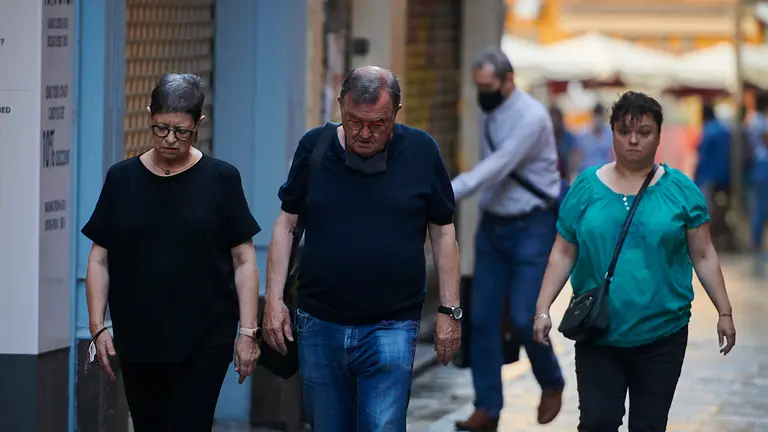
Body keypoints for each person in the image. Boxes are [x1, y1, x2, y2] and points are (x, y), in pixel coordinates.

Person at [262, 66, 462, 431]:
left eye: (377, 124)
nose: (365, 133)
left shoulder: (421, 151)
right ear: (340, 106)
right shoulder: (315, 147)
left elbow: (443, 231)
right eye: (355, 122)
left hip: (392, 324)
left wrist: (450, 310)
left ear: (396, 114)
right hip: (319, 322)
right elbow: (287, 223)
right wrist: (273, 301)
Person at [533, 91, 737, 431]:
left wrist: (725, 311)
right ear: (611, 132)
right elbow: (562, 251)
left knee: (649, 425)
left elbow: (703, 254)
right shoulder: (585, 188)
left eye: (644, 132)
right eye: (624, 131)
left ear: (658, 137)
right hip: (598, 331)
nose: (633, 140)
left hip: (663, 333)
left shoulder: (680, 191)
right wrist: (543, 308)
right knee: (597, 422)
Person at [82, 74, 262, 431]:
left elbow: (243, 260)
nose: (169, 140)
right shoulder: (122, 179)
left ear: (199, 124)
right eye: (160, 128)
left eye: (182, 131)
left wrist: (248, 332)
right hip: (139, 338)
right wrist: (98, 327)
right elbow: (99, 257)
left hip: (205, 338)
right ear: (149, 115)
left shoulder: (221, 179)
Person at [452, 47, 565, 430]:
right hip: (494, 225)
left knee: (523, 316)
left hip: (532, 224)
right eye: (478, 86)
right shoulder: (490, 111)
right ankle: (487, 407)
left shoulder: (531, 117)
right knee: (481, 319)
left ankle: (551, 380)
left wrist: (447, 192)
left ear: (508, 81)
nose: (482, 93)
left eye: (488, 86)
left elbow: (497, 166)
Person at [572, 103, 615, 175]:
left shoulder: (610, 134)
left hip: (604, 173)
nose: (598, 118)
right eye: (596, 115)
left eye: (600, 115)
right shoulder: (582, 134)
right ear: (592, 116)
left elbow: (613, 155)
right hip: (586, 172)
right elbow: (576, 156)